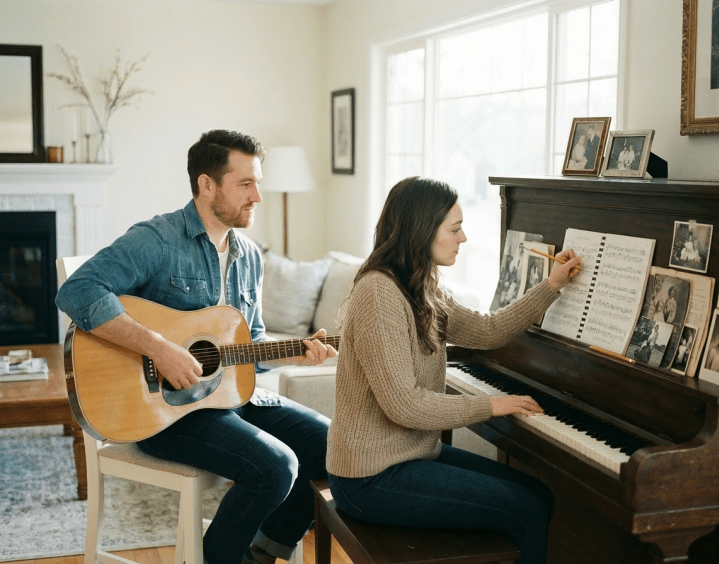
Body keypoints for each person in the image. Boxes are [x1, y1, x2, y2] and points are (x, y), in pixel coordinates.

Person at [56, 129, 337, 564]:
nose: (258, 196)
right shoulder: (158, 239)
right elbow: (78, 290)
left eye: (257, 182)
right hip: (165, 411)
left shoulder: (249, 256)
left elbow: (248, 347)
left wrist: (294, 352)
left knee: (334, 444)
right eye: (245, 184)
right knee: (275, 466)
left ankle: (265, 549)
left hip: (228, 399)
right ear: (206, 184)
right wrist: (158, 348)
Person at [325, 176, 581, 564]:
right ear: (422, 230)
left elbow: (488, 329)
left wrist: (552, 285)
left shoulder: (421, 286)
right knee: (525, 510)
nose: (463, 239)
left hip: (409, 456)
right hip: (369, 478)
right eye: (455, 229)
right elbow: (405, 406)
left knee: (540, 496)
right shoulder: (379, 293)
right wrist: (490, 405)